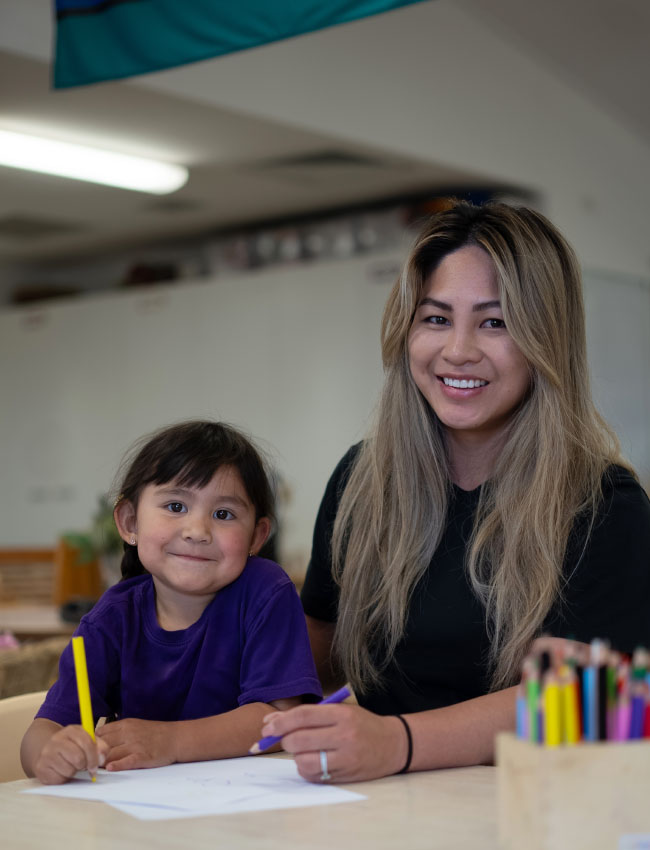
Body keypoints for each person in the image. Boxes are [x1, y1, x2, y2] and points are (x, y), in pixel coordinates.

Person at [259, 200, 650, 783]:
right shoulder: (362, 480)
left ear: (546, 340)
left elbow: (591, 701)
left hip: (528, 811)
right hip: (367, 802)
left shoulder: (603, 505)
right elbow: (316, 652)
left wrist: (395, 741)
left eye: (495, 322)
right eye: (436, 318)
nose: (458, 350)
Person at [21, 420, 321, 784]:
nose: (197, 531)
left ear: (257, 535)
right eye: (176, 506)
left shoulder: (265, 591)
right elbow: (43, 731)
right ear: (130, 521)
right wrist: (49, 754)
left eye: (223, 514)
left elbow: (278, 720)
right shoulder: (109, 621)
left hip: (246, 814)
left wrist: (172, 741)